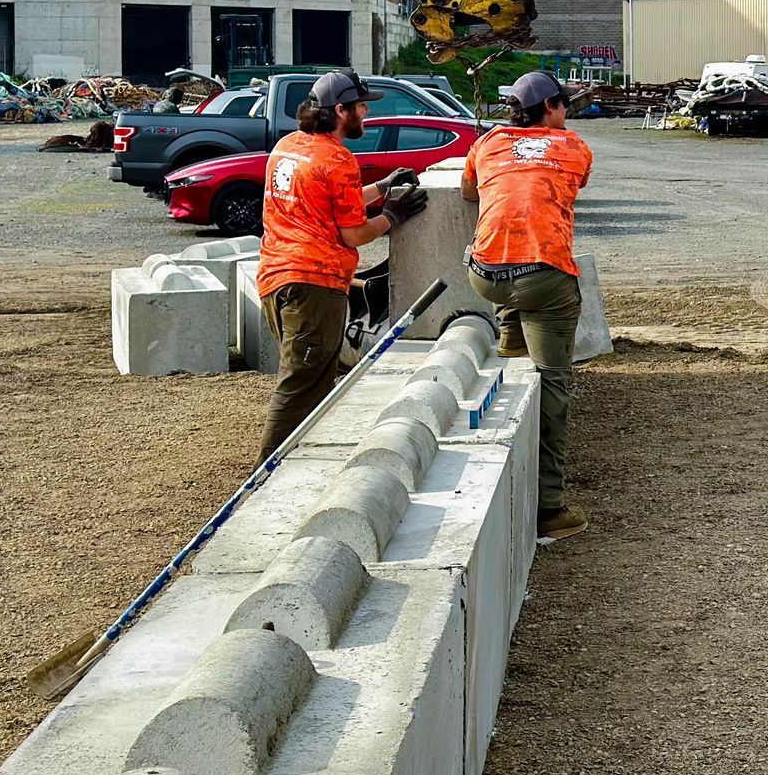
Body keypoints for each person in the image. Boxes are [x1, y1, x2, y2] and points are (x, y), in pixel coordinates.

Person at [255, 70, 428, 457]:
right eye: (362, 106)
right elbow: (353, 234)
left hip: (276, 278)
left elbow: (325, 205)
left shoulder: (288, 147)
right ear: (340, 110)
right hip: (314, 286)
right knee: (301, 383)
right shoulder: (338, 159)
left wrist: (382, 188)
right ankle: (264, 478)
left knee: (310, 379)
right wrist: (392, 216)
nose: (366, 112)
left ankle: (294, 466)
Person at [462, 69, 595, 541]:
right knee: (555, 386)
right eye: (564, 105)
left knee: (498, 250)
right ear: (553, 107)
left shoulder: (488, 143)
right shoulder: (574, 147)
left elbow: (469, 193)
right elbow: (559, 193)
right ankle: (548, 510)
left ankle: (510, 332)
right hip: (542, 279)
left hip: (485, 278)